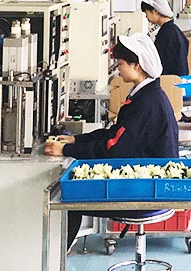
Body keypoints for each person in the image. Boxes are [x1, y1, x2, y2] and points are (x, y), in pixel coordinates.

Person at [45, 33, 179, 245]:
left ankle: (58, 257)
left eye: (121, 64)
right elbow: (114, 133)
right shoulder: (145, 95)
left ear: (136, 66)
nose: (118, 69)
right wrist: (75, 141)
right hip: (145, 181)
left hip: (145, 191)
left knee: (70, 200)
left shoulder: (146, 103)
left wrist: (65, 151)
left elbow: (113, 150)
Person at [141, 0, 189, 77]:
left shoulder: (167, 34)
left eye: (146, 12)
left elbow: (161, 64)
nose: (146, 16)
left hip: (171, 80)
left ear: (155, 11)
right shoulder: (173, 29)